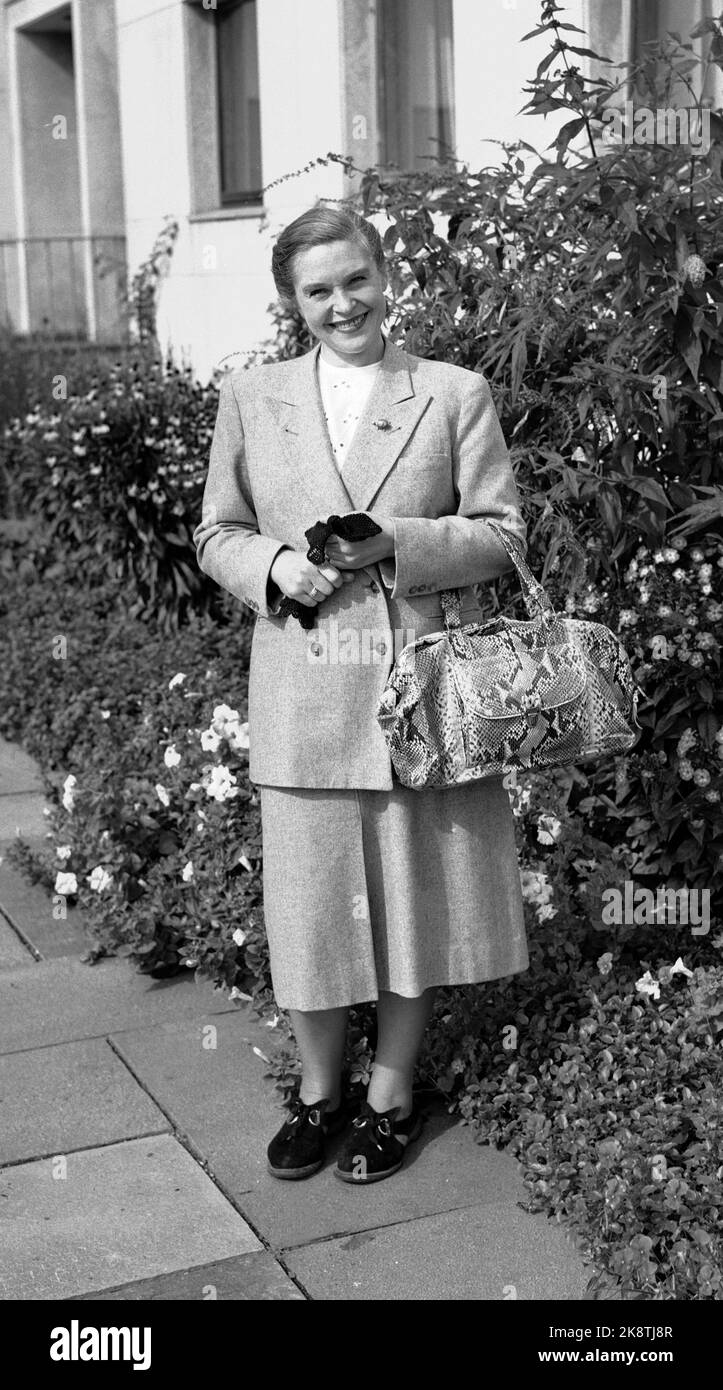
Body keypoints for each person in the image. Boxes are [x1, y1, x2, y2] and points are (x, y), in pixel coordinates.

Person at [193, 205, 529, 1185]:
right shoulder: (251, 396)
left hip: (417, 692)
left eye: (357, 279)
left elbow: (505, 535)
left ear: (389, 277)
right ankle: (316, 1091)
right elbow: (217, 529)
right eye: (318, 288)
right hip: (303, 694)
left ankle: (391, 1094)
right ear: (293, 302)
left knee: (411, 905)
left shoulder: (452, 393)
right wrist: (271, 569)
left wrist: (403, 538)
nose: (343, 302)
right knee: (308, 910)